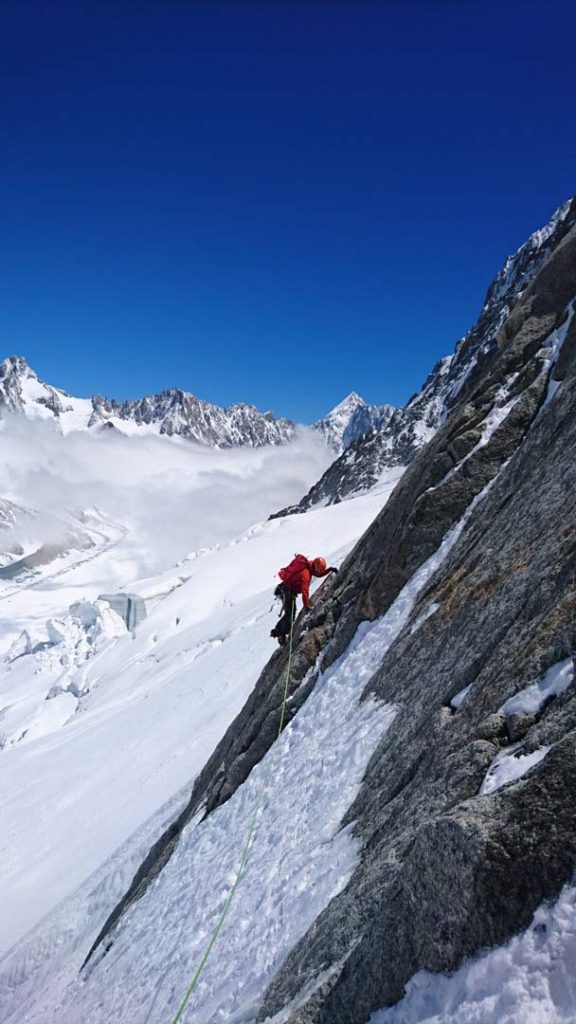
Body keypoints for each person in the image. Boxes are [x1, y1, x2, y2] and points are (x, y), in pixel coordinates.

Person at [270, 554, 338, 646]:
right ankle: (280, 634)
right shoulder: (306, 573)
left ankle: (279, 632)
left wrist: (328, 570)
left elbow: (317, 573)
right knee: (290, 614)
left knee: (290, 613)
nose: (319, 572)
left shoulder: (310, 566)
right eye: (319, 569)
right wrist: (307, 606)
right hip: (286, 590)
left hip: (287, 590)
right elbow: (305, 592)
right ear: (315, 567)